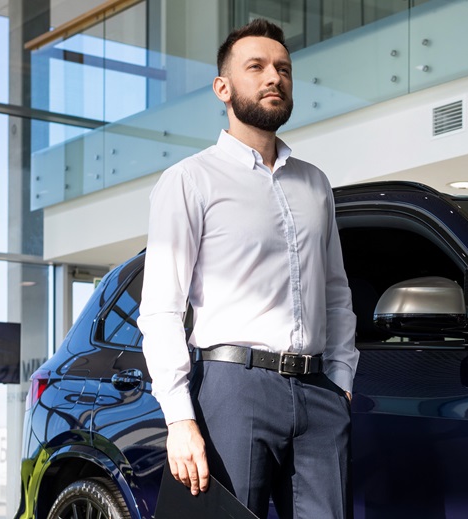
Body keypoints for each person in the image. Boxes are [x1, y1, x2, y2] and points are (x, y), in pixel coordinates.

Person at [137, 18, 359, 519]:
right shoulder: (189, 180)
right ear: (223, 87)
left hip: (319, 392)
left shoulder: (315, 184)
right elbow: (161, 309)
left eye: (283, 68)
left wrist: (340, 378)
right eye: (256, 67)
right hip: (233, 388)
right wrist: (179, 420)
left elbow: (336, 293)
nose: (273, 77)